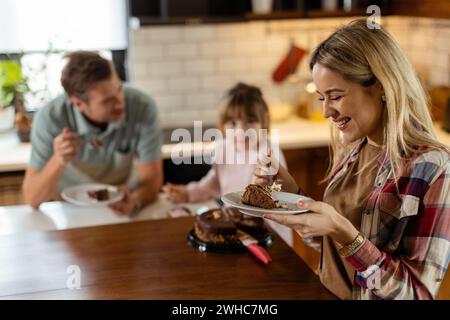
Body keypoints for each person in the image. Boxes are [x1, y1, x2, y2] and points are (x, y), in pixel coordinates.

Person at [255, 19, 450, 299]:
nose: (325, 112)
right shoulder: (355, 149)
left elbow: (418, 293)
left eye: (335, 96)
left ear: (381, 85)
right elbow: (330, 246)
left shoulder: (435, 168)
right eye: (322, 98)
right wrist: (291, 194)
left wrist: (347, 235)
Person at [22, 51, 163, 216]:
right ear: (78, 104)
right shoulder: (50, 119)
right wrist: (58, 159)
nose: (120, 102)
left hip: (124, 205)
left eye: (119, 89)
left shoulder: (142, 106)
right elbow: (32, 198)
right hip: (70, 210)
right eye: (107, 100)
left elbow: (152, 179)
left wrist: (134, 201)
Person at [163, 83, 291, 245]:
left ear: (264, 122)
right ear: (222, 125)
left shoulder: (268, 153)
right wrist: (187, 193)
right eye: (232, 123)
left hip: (269, 235)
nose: (240, 131)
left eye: (249, 121)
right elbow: (213, 184)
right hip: (237, 230)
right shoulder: (223, 147)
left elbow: (258, 201)